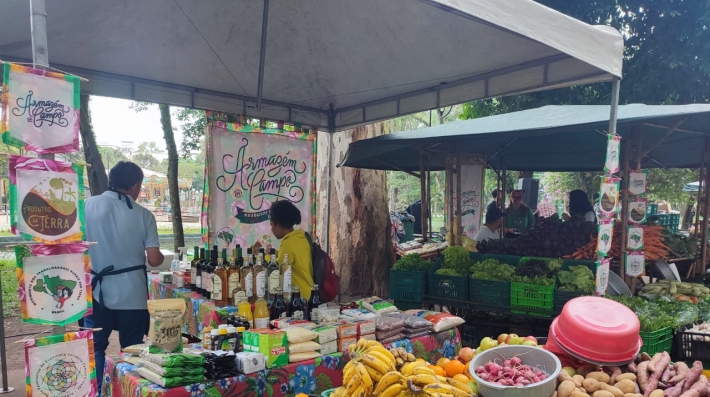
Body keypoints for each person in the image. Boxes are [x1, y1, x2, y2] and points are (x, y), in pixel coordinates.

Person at [83, 161, 163, 392]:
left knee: (96, 348)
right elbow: (155, 259)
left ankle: (97, 391)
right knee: (132, 348)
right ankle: (128, 392)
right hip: (132, 293)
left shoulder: (86, 206)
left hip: (96, 291)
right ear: (135, 185)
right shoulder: (144, 215)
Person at [270, 200, 315, 300]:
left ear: (279, 225)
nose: (271, 229)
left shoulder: (287, 244)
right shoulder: (301, 237)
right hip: (310, 293)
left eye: (272, 224)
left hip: (299, 298)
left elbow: (276, 270)